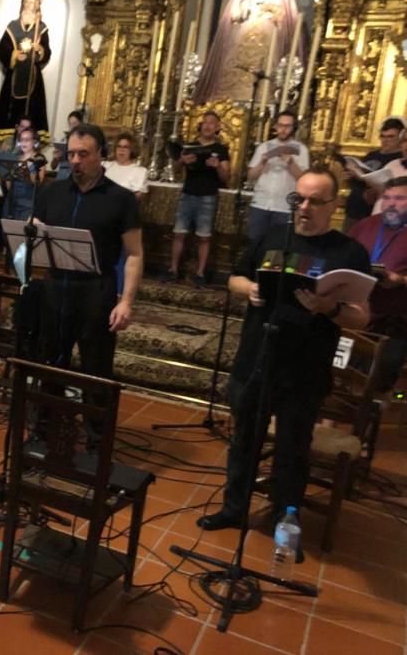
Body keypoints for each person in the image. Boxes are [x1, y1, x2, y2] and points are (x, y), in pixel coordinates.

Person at [199, 169, 371, 535]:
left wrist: (328, 308)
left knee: (293, 451)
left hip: (304, 368)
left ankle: (284, 519)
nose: (304, 208)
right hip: (256, 359)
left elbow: (362, 317)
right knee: (244, 441)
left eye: (314, 201)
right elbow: (235, 277)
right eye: (298, 199)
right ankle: (234, 509)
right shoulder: (273, 236)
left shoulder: (348, 252)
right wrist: (250, 289)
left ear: (334, 205)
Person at [34, 123, 143, 409]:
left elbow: (134, 254)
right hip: (56, 287)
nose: (75, 161)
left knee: (96, 368)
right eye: (71, 154)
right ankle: (44, 430)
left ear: (101, 155)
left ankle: (96, 440)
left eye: (83, 154)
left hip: (97, 291)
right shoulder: (52, 193)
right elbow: (35, 234)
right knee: (50, 363)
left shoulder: (122, 199)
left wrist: (126, 301)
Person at [350, 177, 407, 392]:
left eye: (399, 198)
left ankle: (373, 412)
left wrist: (402, 281)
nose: (391, 203)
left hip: (398, 319)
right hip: (358, 314)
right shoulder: (365, 225)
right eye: (387, 198)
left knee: (381, 380)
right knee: (349, 378)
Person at [163, 111, 232, 286]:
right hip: (188, 193)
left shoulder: (220, 150)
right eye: (205, 122)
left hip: (207, 196)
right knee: (179, 233)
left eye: (212, 123)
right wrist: (182, 161)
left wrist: (217, 167)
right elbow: (177, 171)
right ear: (200, 125)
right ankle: (173, 270)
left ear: (217, 127)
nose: (208, 126)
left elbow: (225, 177)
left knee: (204, 237)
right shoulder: (190, 146)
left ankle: (200, 273)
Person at [0, 0, 52, 145]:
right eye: (27, 2)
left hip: (32, 78)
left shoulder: (41, 29)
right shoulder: (12, 27)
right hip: (14, 77)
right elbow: (2, 48)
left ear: (38, 7)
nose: (30, 6)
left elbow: (47, 51)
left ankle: (30, 140)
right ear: (22, 5)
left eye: (34, 3)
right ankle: (9, 138)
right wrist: (14, 55)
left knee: (32, 109)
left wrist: (40, 50)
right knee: (10, 108)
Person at [246, 110, 310, 242]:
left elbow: (304, 180)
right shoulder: (263, 147)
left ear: (293, 128)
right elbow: (251, 176)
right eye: (280, 125)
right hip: (261, 203)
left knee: (278, 246)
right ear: (275, 126)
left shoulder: (301, 149)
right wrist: (262, 162)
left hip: (285, 207)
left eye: (288, 126)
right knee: (255, 243)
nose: (283, 129)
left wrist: (291, 162)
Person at [341, 117, 403, 230]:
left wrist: (361, 177)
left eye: (391, 137)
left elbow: (387, 185)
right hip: (353, 210)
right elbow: (358, 181)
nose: (385, 140)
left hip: (371, 211)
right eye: (383, 136)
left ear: (400, 138)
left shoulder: (399, 160)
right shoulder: (372, 155)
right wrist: (350, 176)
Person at [3, 126, 46, 221]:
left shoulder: (39, 158)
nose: (24, 142)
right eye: (21, 140)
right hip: (11, 202)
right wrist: (6, 173)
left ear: (34, 142)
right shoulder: (16, 158)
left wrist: (28, 168)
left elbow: (38, 182)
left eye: (27, 140)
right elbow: (9, 187)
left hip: (27, 204)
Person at [50, 110, 84, 180]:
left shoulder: (85, 141)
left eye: (74, 123)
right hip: (62, 174)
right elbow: (53, 167)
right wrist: (55, 159)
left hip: (76, 174)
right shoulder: (64, 140)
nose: (72, 127)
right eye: (70, 124)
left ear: (81, 124)